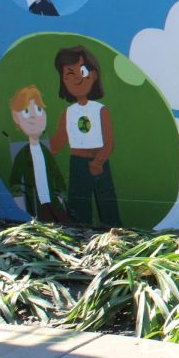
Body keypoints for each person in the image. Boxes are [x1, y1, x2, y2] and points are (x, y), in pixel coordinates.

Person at [50, 46, 120, 225]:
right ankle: (82, 239)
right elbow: (58, 143)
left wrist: (98, 162)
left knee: (108, 205)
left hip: (100, 162)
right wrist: (35, 145)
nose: (77, 78)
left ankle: (113, 238)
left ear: (94, 75)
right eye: (69, 74)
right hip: (77, 164)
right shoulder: (68, 112)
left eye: (82, 71)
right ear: (63, 81)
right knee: (79, 208)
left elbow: (109, 142)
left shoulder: (100, 110)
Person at [7, 85, 69, 222]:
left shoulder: (45, 151)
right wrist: (19, 200)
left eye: (39, 110)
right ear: (16, 118)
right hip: (35, 201)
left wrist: (61, 192)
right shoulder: (23, 154)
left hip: (52, 199)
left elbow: (56, 173)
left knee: (63, 222)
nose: (34, 116)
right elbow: (15, 180)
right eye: (26, 112)